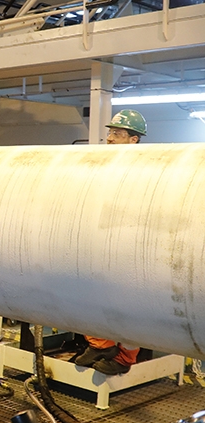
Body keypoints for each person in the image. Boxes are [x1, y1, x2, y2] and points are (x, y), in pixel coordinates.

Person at [73, 109, 147, 375]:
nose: (110, 138)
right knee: (87, 289)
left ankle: (125, 358)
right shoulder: (105, 165)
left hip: (131, 242)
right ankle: (100, 345)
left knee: (130, 303)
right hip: (102, 238)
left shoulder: (147, 169)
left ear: (133, 140)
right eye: (110, 133)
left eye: (117, 133)